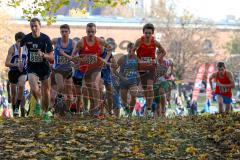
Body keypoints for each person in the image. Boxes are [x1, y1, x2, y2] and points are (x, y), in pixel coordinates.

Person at [71, 23, 112, 117]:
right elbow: (73, 55)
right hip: (85, 69)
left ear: (95, 32)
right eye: (89, 32)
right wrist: (76, 63)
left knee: (94, 84)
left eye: (92, 32)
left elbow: (110, 49)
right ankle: (92, 111)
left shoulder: (99, 41)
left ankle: (96, 108)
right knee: (89, 91)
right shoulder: (81, 42)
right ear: (86, 31)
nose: (90, 34)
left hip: (96, 67)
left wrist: (105, 60)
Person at [19, 18, 54, 122]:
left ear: (40, 26)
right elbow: (20, 45)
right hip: (32, 66)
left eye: (36, 26)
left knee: (46, 91)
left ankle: (45, 112)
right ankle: (39, 104)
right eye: (32, 26)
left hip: (44, 66)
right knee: (34, 88)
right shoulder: (26, 38)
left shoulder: (45, 39)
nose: (34, 28)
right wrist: (21, 60)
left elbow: (51, 57)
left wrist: (43, 55)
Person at [132, 23, 166, 116]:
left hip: (151, 67)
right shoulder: (139, 41)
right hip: (141, 68)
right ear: (143, 33)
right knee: (145, 89)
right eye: (146, 33)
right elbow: (132, 52)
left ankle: (149, 108)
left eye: (149, 33)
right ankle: (148, 106)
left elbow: (163, 52)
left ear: (152, 33)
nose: (147, 35)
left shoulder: (155, 42)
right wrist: (139, 60)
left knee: (150, 87)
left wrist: (156, 59)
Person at [52, 24, 76, 116]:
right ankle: (57, 106)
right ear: (60, 32)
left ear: (69, 32)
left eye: (66, 31)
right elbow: (46, 45)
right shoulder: (55, 41)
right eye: (62, 31)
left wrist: (64, 54)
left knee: (69, 92)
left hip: (68, 70)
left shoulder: (73, 43)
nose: (64, 33)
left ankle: (66, 110)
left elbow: (73, 58)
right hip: (58, 69)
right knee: (61, 87)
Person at [113, 42, 139, 116]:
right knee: (124, 101)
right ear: (127, 49)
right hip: (123, 82)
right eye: (130, 48)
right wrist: (121, 77)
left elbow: (139, 70)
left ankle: (130, 114)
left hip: (133, 81)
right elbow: (114, 70)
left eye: (133, 49)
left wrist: (138, 79)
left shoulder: (137, 58)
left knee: (134, 95)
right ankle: (126, 109)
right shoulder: (123, 58)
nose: (131, 50)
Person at [5, 32, 27, 117]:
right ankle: (14, 110)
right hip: (13, 71)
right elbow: (6, 63)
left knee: (21, 86)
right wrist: (16, 64)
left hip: (23, 71)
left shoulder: (26, 48)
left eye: (22, 41)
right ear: (16, 41)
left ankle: (18, 107)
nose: (20, 43)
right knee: (14, 94)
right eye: (18, 41)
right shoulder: (12, 48)